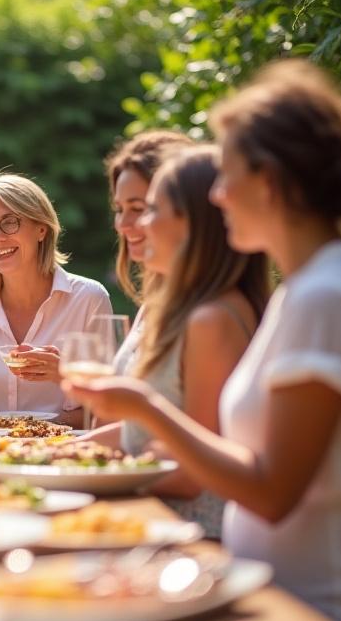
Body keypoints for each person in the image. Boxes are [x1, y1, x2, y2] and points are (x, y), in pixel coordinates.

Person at [64, 59, 341, 621]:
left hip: (340, 602)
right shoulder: (316, 286)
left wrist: (144, 408)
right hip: (295, 590)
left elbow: (271, 490)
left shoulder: (329, 296)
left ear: (269, 180)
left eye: (227, 173)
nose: (216, 194)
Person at [79, 145, 271, 538]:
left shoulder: (213, 319)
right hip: (159, 528)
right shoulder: (185, 306)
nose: (134, 225)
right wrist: (62, 456)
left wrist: (81, 474)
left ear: (193, 223)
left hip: (196, 541)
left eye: (149, 209)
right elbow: (143, 434)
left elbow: (191, 471)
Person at [0, 174, 112, 425]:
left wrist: (63, 375)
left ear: (41, 228)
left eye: (9, 222)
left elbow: (109, 406)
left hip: (65, 454)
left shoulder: (90, 299)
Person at [105, 129, 194, 305]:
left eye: (138, 209)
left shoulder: (209, 312)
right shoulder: (160, 294)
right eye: (119, 209)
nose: (122, 225)